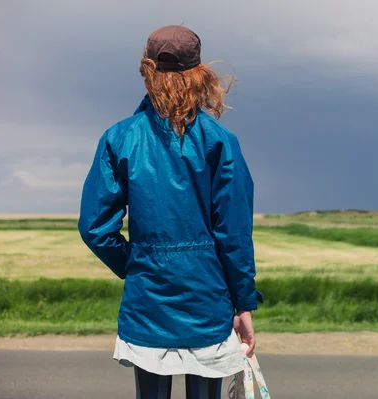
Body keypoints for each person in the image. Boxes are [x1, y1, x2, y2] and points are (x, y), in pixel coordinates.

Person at [78, 25, 262, 399]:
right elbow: (235, 234)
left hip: (147, 304)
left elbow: (95, 228)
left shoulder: (119, 138)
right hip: (208, 302)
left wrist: (136, 262)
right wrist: (242, 302)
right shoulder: (222, 143)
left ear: (147, 70)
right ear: (199, 73)